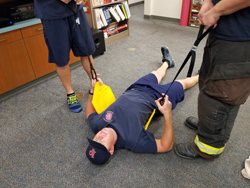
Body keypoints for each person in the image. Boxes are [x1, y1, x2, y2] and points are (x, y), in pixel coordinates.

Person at [85, 47, 199, 165]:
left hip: (135, 88)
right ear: (111, 150)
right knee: (182, 83)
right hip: (157, 98)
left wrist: (92, 91)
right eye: (102, 143)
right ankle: (202, 76)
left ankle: (167, 62)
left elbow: (89, 114)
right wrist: (167, 114)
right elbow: (166, 146)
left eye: (95, 140)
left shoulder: (97, 125)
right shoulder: (132, 140)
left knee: (156, 73)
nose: (99, 137)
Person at [174, 0, 250, 159]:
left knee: (223, 92)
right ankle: (206, 129)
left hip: (241, 37)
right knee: (208, 84)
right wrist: (209, 2)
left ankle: (208, 147)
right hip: (222, 31)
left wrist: (216, 11)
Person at [34, 0, 96, 113]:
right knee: (60, 58)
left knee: (86, 51)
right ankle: (70, 93)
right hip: (52, 14)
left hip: (76, 9)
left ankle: (95, 84)